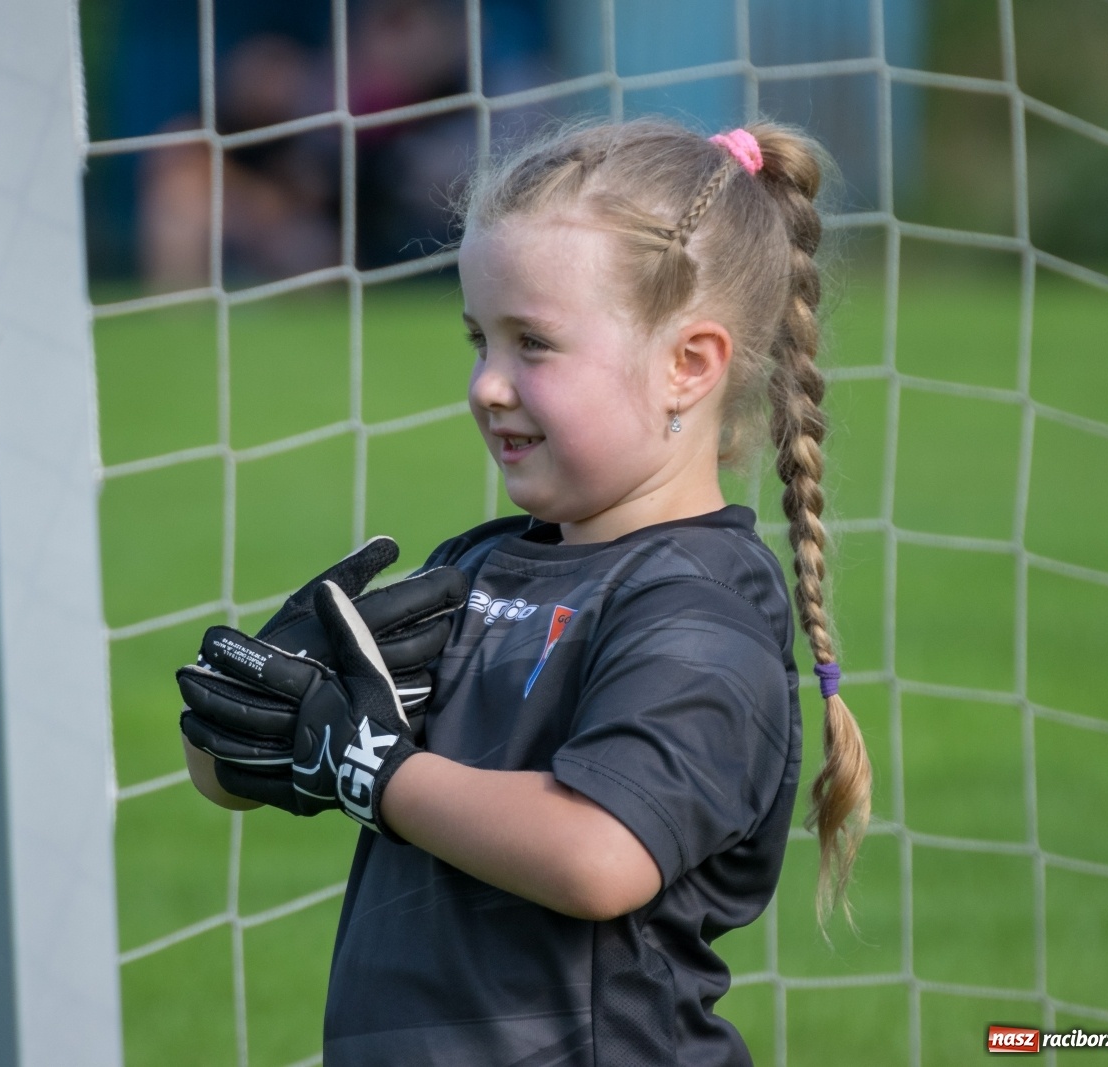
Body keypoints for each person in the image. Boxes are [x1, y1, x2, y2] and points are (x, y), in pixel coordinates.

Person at [177, 118, 873, 1066]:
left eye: (534, 344)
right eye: (480, 339)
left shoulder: (701, 612)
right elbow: (230, 777)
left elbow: (598, 856)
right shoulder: (476, 565)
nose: (487, 386)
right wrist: (273, 701)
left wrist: (374, 769)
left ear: (689, 364)